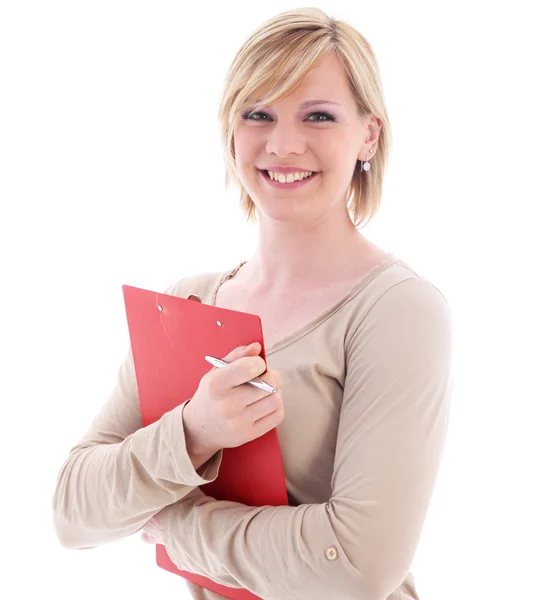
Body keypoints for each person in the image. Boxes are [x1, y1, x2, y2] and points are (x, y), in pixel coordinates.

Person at [52, 7, 454, 600]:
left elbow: (357, 568)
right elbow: (72, 513)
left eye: (319, 115)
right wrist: (191, 433)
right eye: (257, 114)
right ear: (230, 133)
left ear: (369, 134)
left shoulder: (398, 311)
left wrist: (174, 525)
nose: (284, 144)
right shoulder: (186, 300)